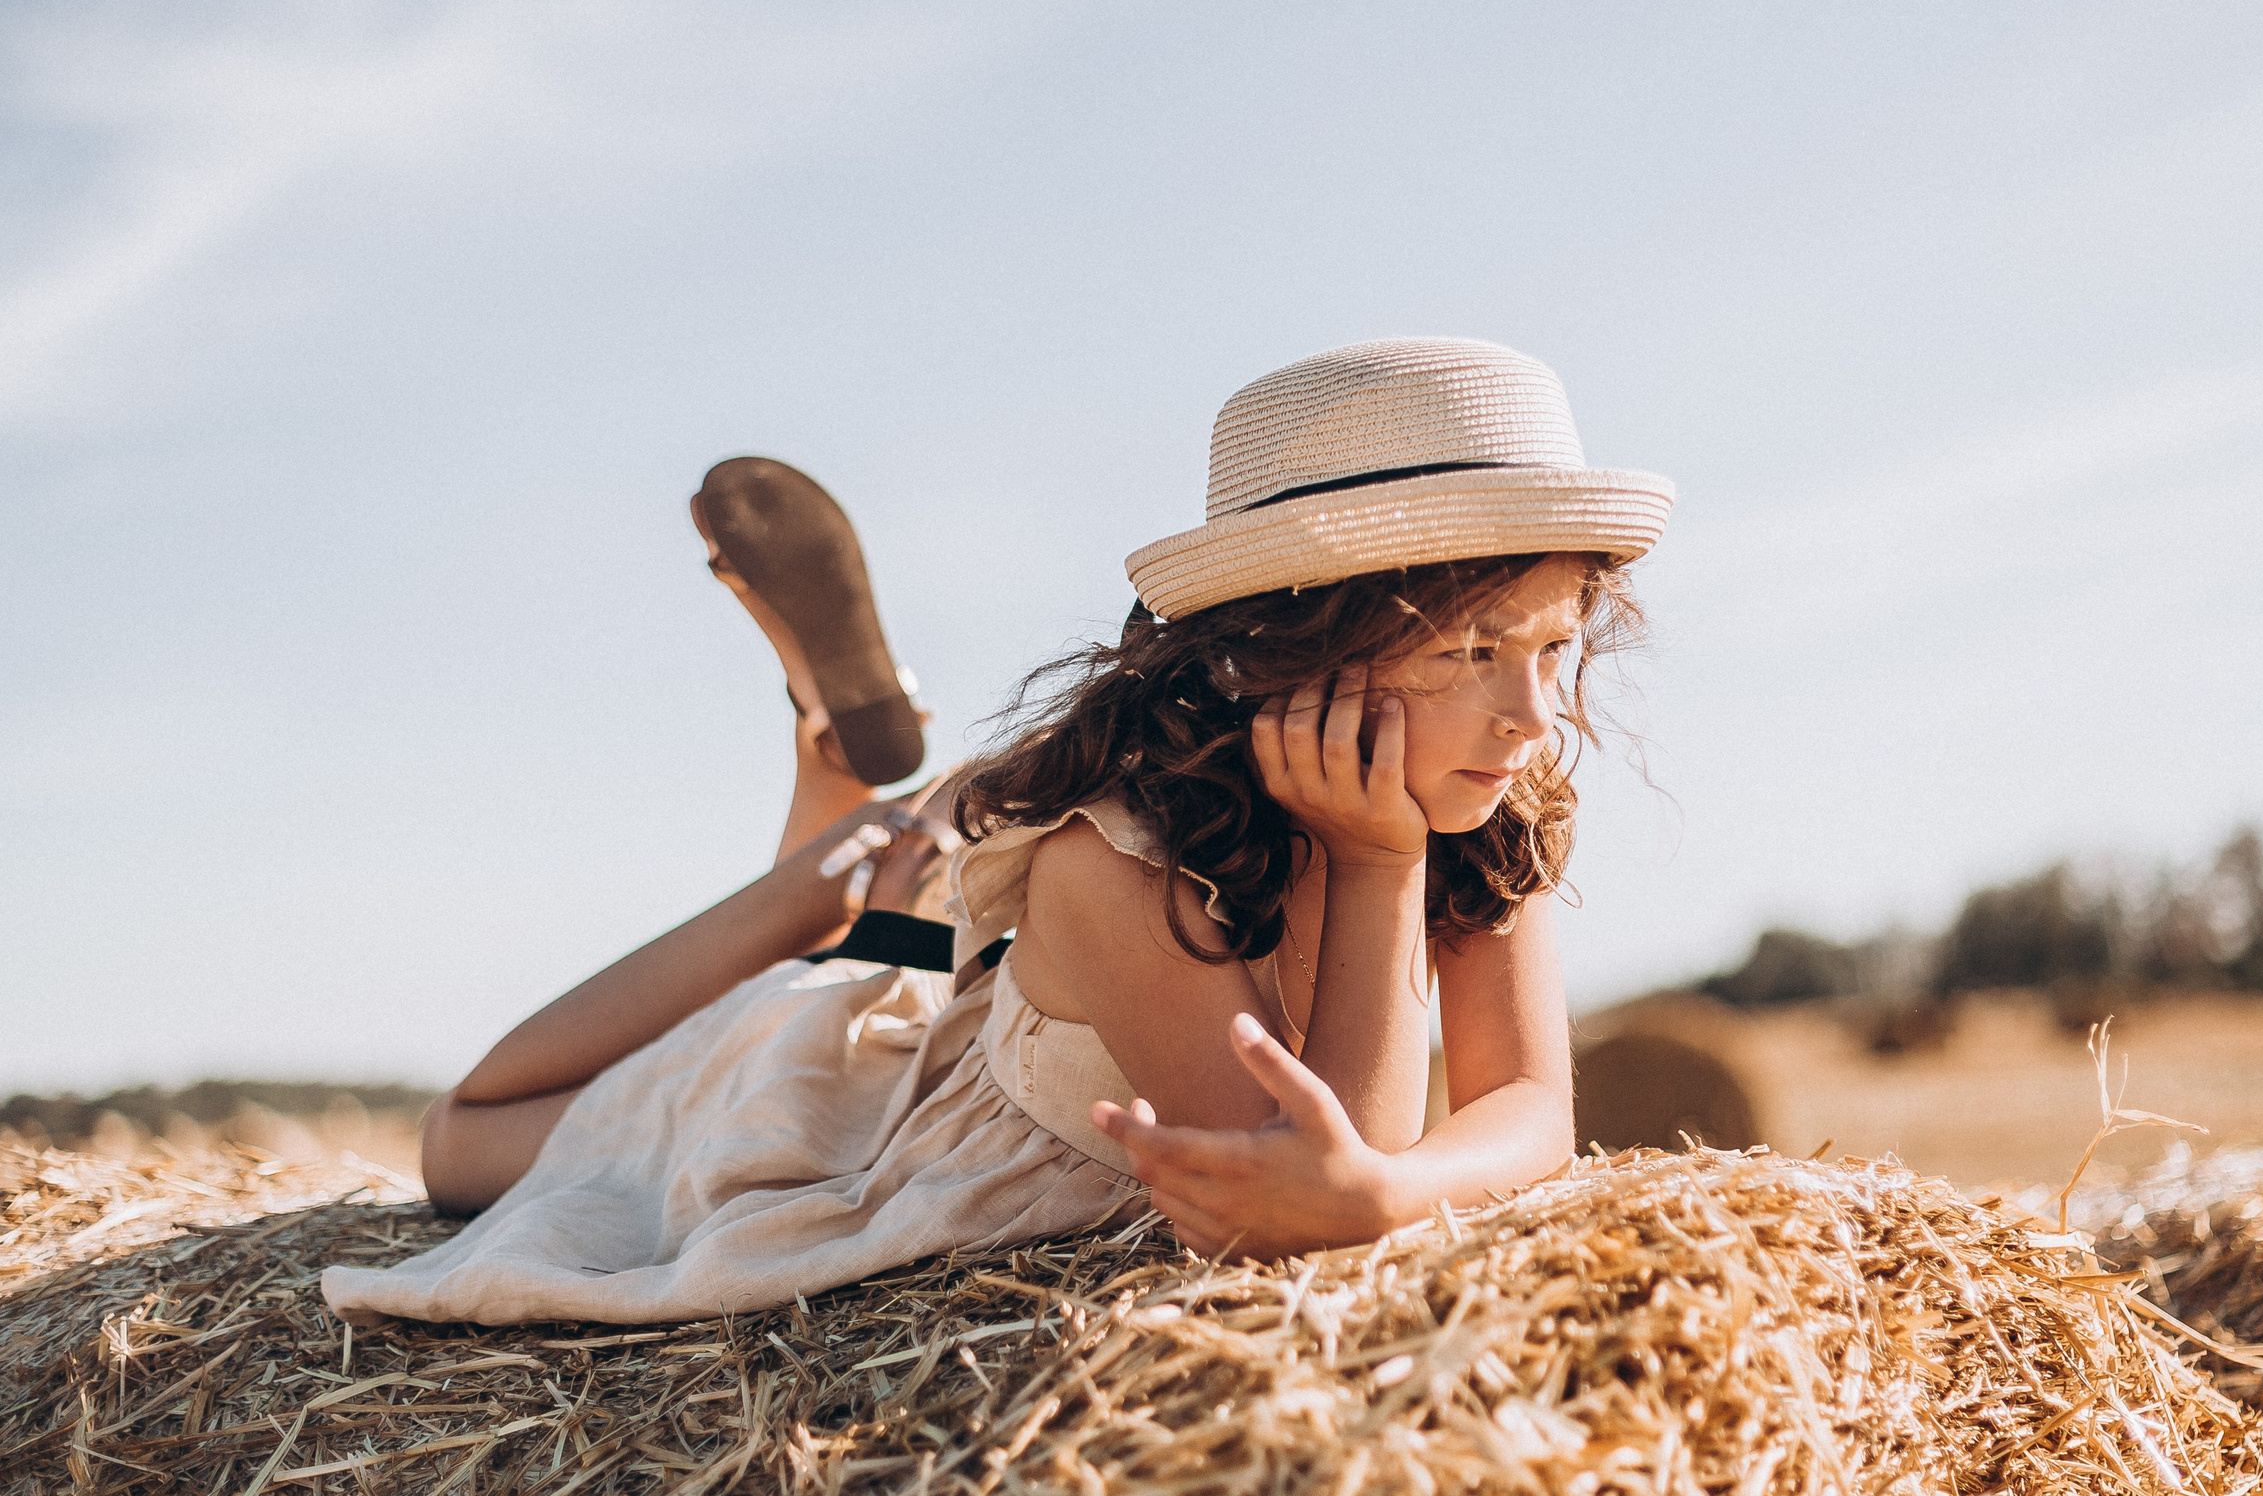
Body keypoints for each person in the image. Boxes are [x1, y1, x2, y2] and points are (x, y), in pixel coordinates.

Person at [322, 337, 1673, 1325]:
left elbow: (1516, 1113)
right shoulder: (1115, 866)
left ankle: (857, 853)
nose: (1531, 714)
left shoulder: (1484, 795)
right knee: (461, 1140)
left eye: (1554, 645)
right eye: (1471, 650)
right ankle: (816, 873)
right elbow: (1308, 1200)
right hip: (865, 1119)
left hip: (972, 1005)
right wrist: (1378, 873)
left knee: (891, 946)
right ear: (1290, 647)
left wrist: (1392, 1195)